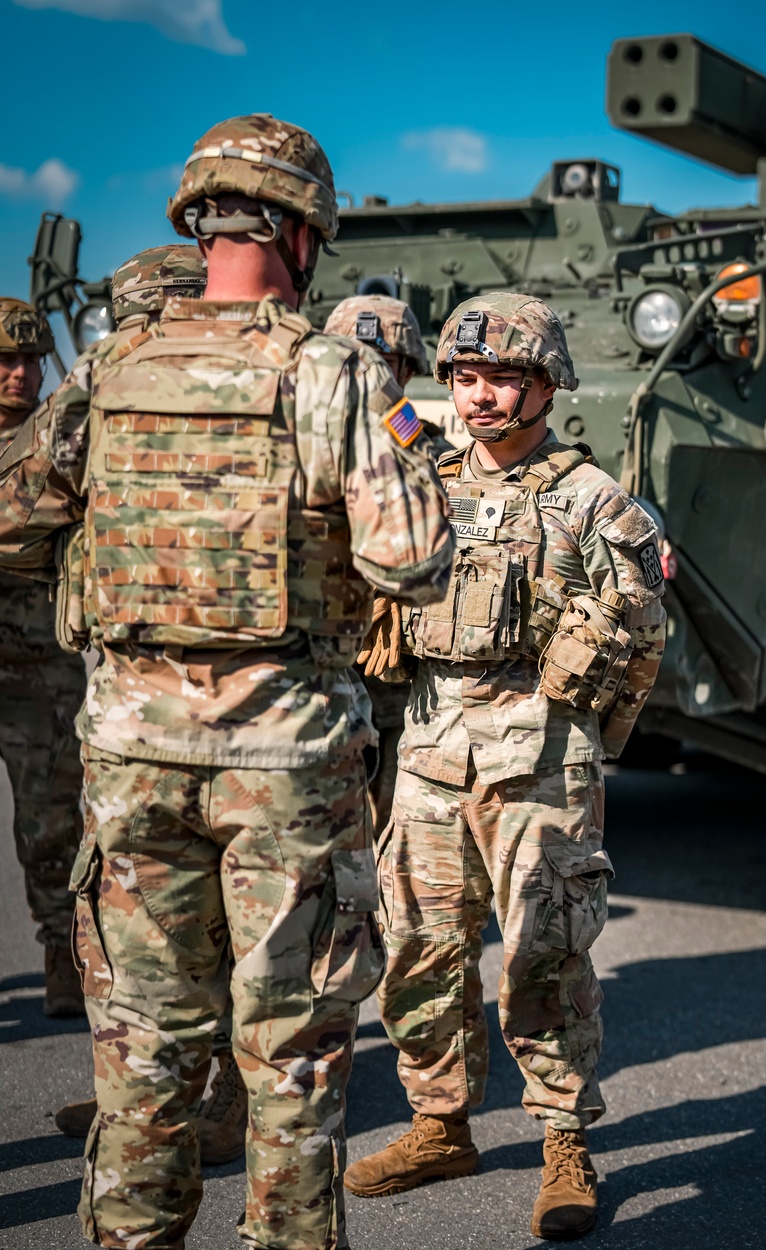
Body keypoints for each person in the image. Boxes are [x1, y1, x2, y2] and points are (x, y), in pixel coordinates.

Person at [0, 112, 454, 1250]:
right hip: (285, 769)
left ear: (199, 220)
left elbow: (13, 523)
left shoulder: (107, 368)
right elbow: (413, 557)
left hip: (130, 759)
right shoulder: (333, 373)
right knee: (289, 1049)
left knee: (144, 1049)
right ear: (302, 233)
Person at [345, 292, 667, 1240]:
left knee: (545, 955)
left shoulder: (590, 499)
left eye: (501, 379)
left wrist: (576, 718)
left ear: (544, 387)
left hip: (538, 757)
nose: (480, 396)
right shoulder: (426, 479)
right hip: (433, 748)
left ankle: (565, 1138)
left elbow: (642, 631)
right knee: (420, 950)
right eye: (465, 377)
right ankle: (439, 1123)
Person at [52, 243, 249, 1167]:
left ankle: (215, 1100)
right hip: (153, 721)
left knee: (204, 932)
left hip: (216, 728)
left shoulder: (128, 396)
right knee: (145, 931)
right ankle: (144, 1099)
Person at [324, 294, 443, 835]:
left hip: (407, 684)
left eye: (380, 359)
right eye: (351, 356)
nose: (365, 371)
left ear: (407, 371)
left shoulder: (433, 457)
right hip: (321, 673)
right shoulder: (298, 445)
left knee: (399, 836)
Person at [0, 297, 87, 1018]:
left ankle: (60, 951)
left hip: (39, 667)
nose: (20, 374)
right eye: (5, 361)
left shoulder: (58, 437)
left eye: (30, 359)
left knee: (51, 823)